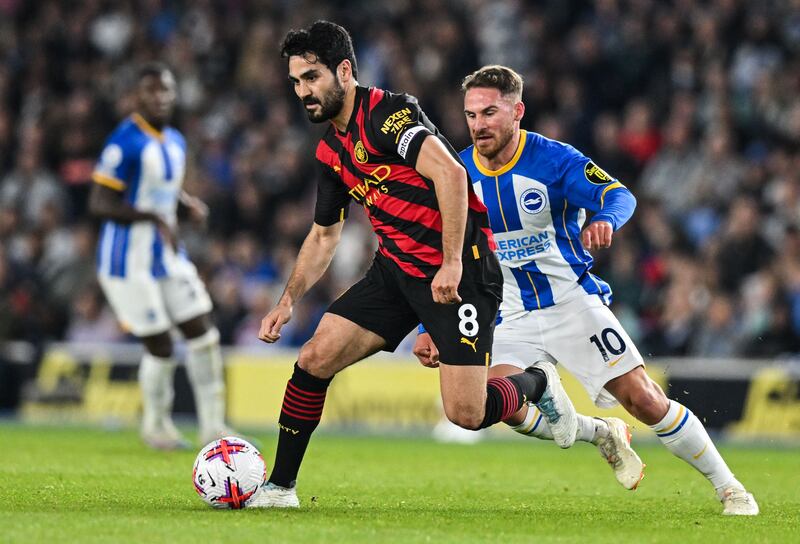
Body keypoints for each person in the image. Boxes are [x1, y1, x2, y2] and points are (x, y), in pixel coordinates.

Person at [250, 21, 578, 509]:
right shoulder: (330, 150)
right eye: (297, 81)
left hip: (461, 271)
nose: (304, 92)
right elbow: (323, 235)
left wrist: (450, 264)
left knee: (466, 414)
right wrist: (288, 300)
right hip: (396, 271)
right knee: (314, 358)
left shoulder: (388, 115)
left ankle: (537, 381)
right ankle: (280, 488)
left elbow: (449, 172)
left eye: (313, 77)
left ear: (344, 70)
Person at [414, 65, 758, 515]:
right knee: (489, 405)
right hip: (510, 314)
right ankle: (598, 432)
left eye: (490, 112)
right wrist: (429, 324)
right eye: (471, 115)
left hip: (572, 305)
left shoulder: (554, 160)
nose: (479, 124)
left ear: (518, 111)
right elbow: (445, 255)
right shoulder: (458, 174)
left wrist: (604, 219)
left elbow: (620, 196)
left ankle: (731, 487)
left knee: (645, 400)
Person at [89, 63, 233, 449]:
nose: (160, 97)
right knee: (162, 344)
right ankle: (156, 426)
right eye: (152, 91)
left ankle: (213, 427)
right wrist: (152, 216)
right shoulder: (124, 142)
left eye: (166, 90)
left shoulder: (175, 141)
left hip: (167, 256)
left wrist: (187, 206)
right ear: (137, 97)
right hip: (127, 262)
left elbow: (165, 193)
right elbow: (100, 202)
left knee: (203, 333)